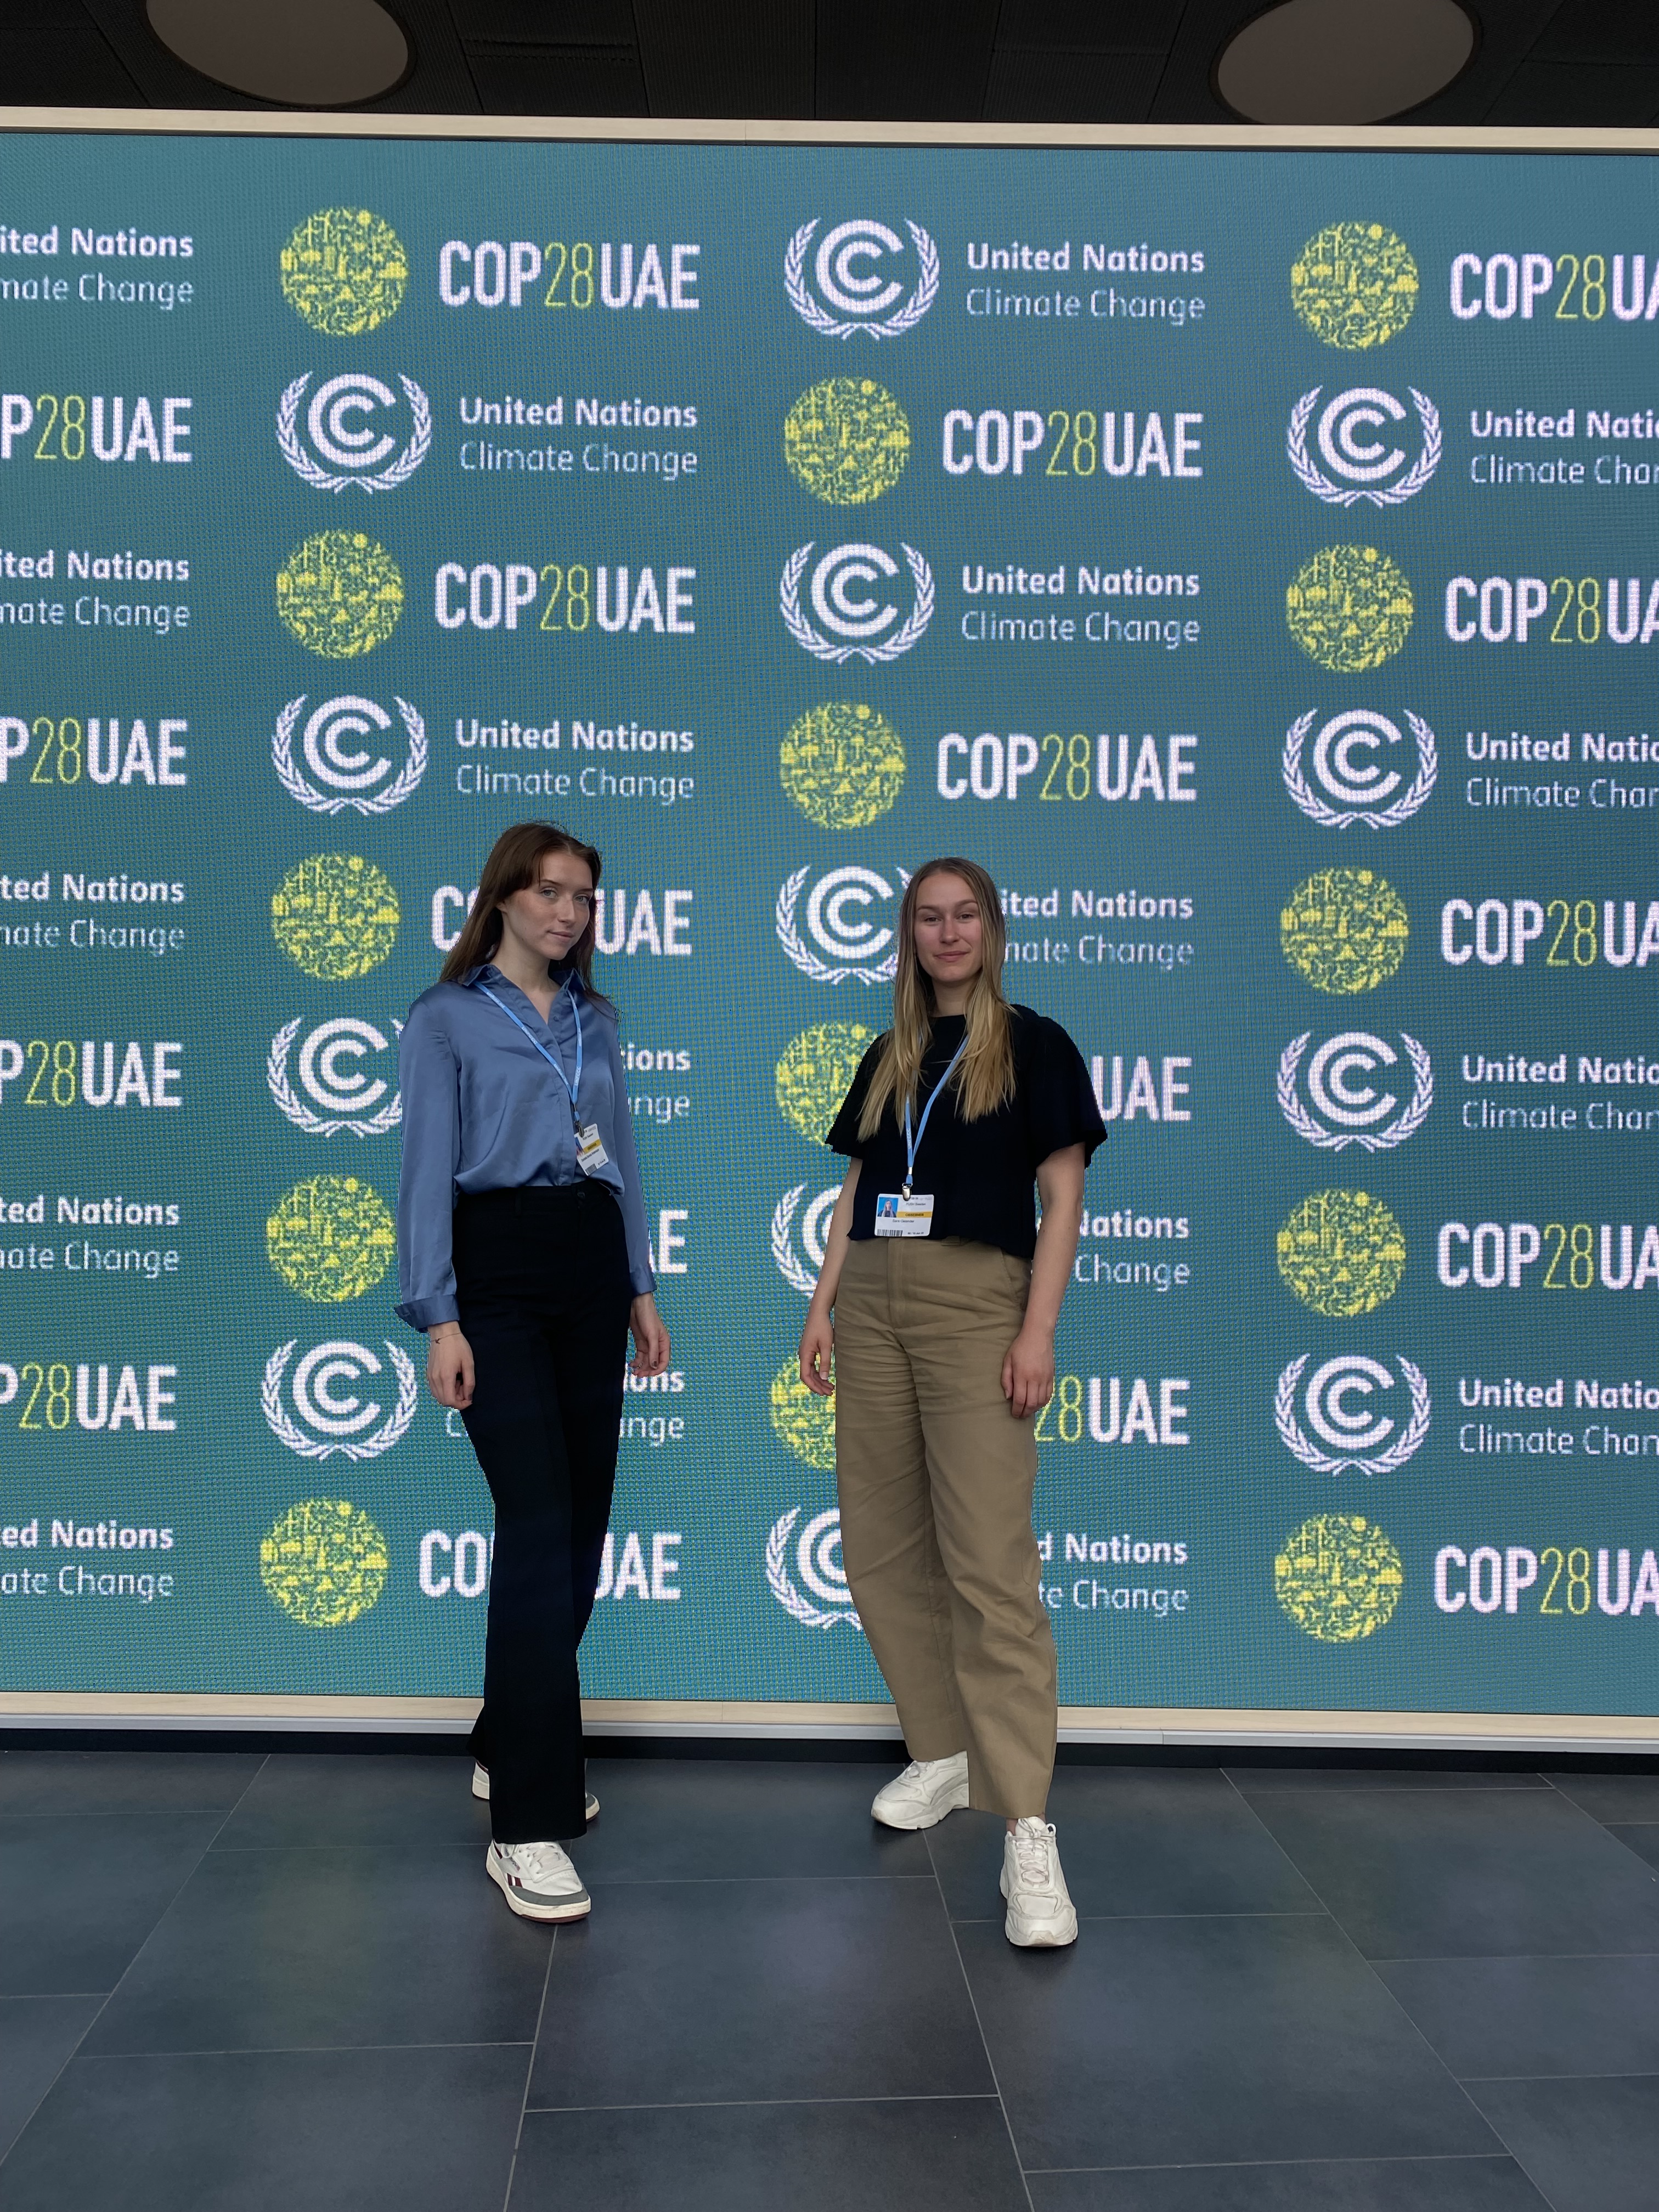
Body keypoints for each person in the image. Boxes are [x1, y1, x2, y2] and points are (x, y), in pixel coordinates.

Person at [798, 857, 1104, 1948]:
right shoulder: (890, 1050)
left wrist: (1038, 1330)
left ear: (993, 927)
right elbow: (859, 1185)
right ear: (909, 934)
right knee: (880, 1546)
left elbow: (1063, 1196)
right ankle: (942, 1750)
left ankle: (1028, 1828)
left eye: (965, 914)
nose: (947, 932)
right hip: (875, 1297)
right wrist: (823, 1304)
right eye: (928, 917)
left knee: (988, 1565)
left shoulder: (1034, 1043)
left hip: (979, 1301)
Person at [397, 821, 669, 1924]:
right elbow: (425, 1169)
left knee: (584, 1530)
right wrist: (439, 1317)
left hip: (591, 1267)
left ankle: (506, 1734)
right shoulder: (446, 1016)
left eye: (584, 897)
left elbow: (621, 1157)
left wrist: (641, 1286)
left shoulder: (595, 1019)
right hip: (496, 1271)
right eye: (550, 891)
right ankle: (528, 1821)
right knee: (539, 1524)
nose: (568, 912)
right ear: (503, 897)